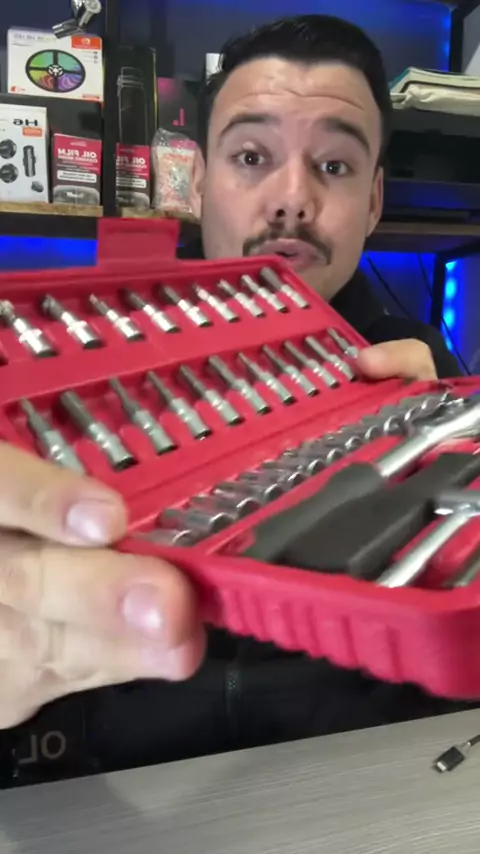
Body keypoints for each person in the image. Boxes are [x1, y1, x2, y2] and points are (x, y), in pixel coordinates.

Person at [0, 15, 468, 790]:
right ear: (197, 181)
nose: (292, 199)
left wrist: (435, 438)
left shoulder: (426, 369)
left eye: (335, 165)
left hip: (360, 790)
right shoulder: (66, 363)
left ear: (375, 201)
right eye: (252, 157)